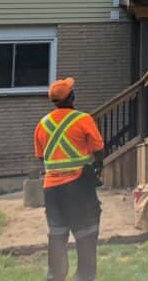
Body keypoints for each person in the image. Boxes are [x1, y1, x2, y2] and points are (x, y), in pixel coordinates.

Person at [34, 77, 106, 281]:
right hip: (78, 188)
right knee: (86, 236)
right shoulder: (82, 119)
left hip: (52, 190)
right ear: (72, 97)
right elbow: (98, 150)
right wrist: (98, 166)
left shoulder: (42, 124)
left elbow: (42, 157)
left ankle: (55, 276)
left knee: (57, 236)